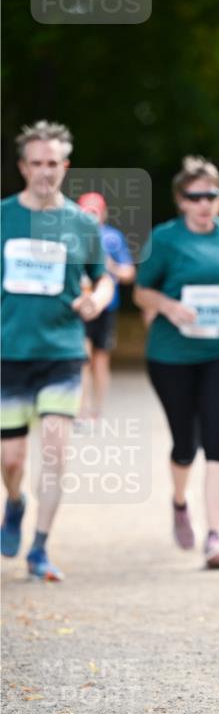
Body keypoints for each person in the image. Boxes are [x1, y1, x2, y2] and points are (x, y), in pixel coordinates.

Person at [134, 157, 219, 569]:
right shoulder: (164, 239)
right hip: (171, 354)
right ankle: (179, 503)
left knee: (217, 438)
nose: (205, 203)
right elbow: (141, 293)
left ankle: (214, 536)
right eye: (195, 197)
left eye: (211, 195)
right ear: (180, 201)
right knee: (185, 443)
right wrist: (168, 306)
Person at [0, 120, 113, 581]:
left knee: (54, 450)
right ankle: (14, 501)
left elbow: (103, 277)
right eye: (36, 163)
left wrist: (97, 300)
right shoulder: (4, 216)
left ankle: (40, 548)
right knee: (11, 459)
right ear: (23, 166)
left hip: (63, 351)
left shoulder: (81, 223)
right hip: (10, 351)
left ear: (64, 167)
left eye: (54, 164)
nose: (45, 172)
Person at [77, 192, 136, 420]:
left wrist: (109, 266)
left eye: (95, 212)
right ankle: (81, 410)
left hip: (107, 307)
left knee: (100, 360)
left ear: (103, 213)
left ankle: (97, 410)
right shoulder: (72, 237)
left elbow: (129, 272)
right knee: (82, 358)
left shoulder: (113, 238)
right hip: (80, 307)